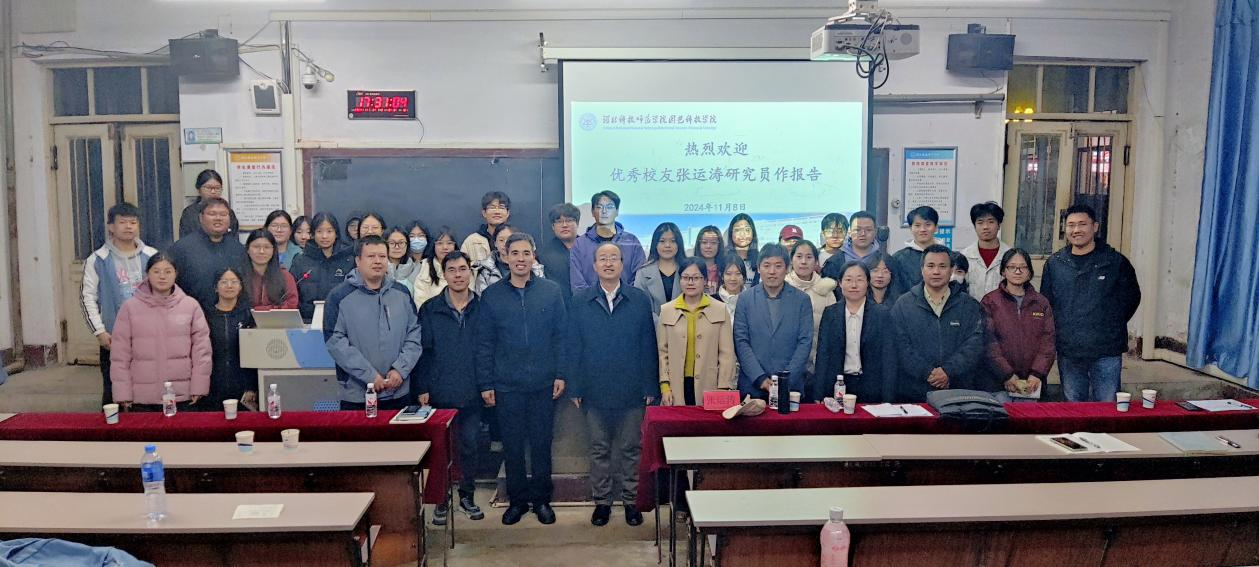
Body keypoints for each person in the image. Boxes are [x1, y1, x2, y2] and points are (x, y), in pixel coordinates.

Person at [476, 232, 568, 526]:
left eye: (526, 253)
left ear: (533, 256)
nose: (520, 259)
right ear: (505, 256)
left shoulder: (551, 291)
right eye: (514, 253)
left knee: (541, 445)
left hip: (543, 383)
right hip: (507, 385)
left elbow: (561, 336)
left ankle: (542, 500)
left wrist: (560, 373)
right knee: (512, 447)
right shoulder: (492, 295)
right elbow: (485, 344)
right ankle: (517, 501)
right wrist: (486, 384)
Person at [568, 243, 659, 527]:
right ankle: (602, 502)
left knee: (632, 448)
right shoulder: (580, 301)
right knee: (599, 449)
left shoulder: (639, 299)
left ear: (622, 264)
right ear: (594, 265)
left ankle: (631, 501)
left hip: (632, 389)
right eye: (602, 259)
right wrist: (575, 387)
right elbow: (573, 347)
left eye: (614, 258)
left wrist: (650, 386)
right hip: (594, 389)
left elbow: (648, 345)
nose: (608, 263)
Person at [1041, 203, 1141, 402]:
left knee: (1107, 406)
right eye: (1071, 225)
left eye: (1082, 224)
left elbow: (1131, 298)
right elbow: (1047, 303)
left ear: (1095, 227)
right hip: (1069, 349)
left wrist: (1109, 324)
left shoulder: (1115, 262)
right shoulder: (1055, 264)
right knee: (1073, 406)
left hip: (1106, 349)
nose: (1076, 230)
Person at [416, 251, 486, 523]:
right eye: (452, 270)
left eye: (463, 269)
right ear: (444, 274)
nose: (458, 275)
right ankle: (441, 500)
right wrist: (422, 387)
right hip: (439, 392)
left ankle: (467, 495)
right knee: (440, 449)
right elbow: (423, 352)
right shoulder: (430, 309)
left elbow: (488, 350)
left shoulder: (482, 307)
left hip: (472, 391)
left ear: (470, 272)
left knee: (470, 445)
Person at [323, 235, 423, 411]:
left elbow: (414, 334)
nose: (377, 261)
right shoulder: (338, 297)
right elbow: (335, 342)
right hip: (357, 395)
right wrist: (369, 375)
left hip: (398, 392)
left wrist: (400, 369)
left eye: (382, 256)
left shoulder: (402, 293)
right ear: (358, 261)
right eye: (371, 256)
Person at [110, 252, 212, 411]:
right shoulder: (130, 308)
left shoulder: (190, 306)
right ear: (147, 274)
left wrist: (199, 386)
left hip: (182, 396)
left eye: (168, 271)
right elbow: (119, 355)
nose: (162, 276)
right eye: (156, 271)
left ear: (176, 274)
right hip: (141, 398)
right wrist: (123, 393)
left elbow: (202, 352)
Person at [82, 202, 158, 405]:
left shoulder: (152, 256)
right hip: (114, 337)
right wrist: (99, 332)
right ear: (111, 227)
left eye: (133, 222)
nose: (129, 227)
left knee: (149, 389)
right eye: (123, 222)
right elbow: (88, 298)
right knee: (114, 391)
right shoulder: (97, 259)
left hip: (150, 336)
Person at [890, 244, 986, 402]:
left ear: (951, 270)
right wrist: (927, 373)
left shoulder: (968, 305)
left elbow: (975, 344)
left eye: (942, 266)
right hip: (913, 392)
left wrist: (948, 371)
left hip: (957, 391)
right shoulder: (903, 305)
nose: (936, 271)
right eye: (930, 266)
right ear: (922, 270)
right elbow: (900, 345)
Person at [733, 244, 814, 400]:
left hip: (791, 388)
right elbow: (741, 342)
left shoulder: (802, 300)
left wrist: (785, 380)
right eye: (766, 265)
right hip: (753, 386)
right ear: (758, 268)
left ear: (787, 268)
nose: (772, 271)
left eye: (778, 266)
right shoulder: (745, 299)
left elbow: (805, 342)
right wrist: (760, 378)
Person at [814, 261, 898, 404]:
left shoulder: (882, 314)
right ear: (840, 283)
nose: (854, 285)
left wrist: (888, 398)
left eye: (859, 280)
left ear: (867, 283)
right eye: (848, 280)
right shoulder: (830, 314)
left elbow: (889, 358)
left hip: (872, 389)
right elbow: (823, 355)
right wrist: (819, 393)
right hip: (838, 386)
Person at [659, 258, 736, 406]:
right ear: (680, 280)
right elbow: (663, 353)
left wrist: (723, 387)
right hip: (676, 386)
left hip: (710, 385)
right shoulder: (667, 310)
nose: (690, 282)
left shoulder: (720, 309)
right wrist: (665, 386)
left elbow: (726, 354)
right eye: (685, 278)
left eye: (696, 278)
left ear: (705, 280)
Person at [982, 248, 1056, 401]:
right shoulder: (990, 301)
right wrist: (1007, 374)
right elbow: (989, 343)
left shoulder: (1041, 303)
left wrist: (1037, 373)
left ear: (1029, 272)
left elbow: (1048, 342)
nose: (1017, 271)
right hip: (999, 382)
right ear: (1003, 271)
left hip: (1032, 383)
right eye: (1012, 267)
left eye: (1023, 267)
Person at [169, 197, 248, 310]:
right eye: (212, 214)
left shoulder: (238, 249)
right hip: (192, 314)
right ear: (201, 218)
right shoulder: (181, 249)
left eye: (223, 214)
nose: (218, 218)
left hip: (231, 315)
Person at [569, 190, 646, 292]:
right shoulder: (579, 244)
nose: (604, 211)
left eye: (609, 207)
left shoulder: (631, 241)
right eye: (599, 207)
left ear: (617, 211)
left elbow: (639, 279)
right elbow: (578, 284)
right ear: (592, 212)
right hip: (588, 301)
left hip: (628, 300)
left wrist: (624, 298)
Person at [785, 241, 837, 388]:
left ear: (816, 261)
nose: (803, 261)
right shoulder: (782, 286)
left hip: (815, 364)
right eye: (799, 256)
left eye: (809, 257)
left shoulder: (826, 289)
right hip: (786, 362)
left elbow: (832, 329)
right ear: (791, 260)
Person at [206, 267, 258, 410]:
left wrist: (251, 386)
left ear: (240, 286)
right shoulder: (205, 315)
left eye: (234, 282)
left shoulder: (249, 315)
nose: (229, 286)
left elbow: (255, 355)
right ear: (215, 287)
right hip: (212, 386)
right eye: (224, 282)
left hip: (243, 388)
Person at [291, 212, 356, 322]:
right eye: (319, 231)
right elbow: (293, 293)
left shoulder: (349, 259)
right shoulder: (300, 260)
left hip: (340, 321)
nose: (324, 236)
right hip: (308, 321)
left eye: (329, 231)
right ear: (313, 234)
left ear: (336, 233)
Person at [961, 202, 1012, 300]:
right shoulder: (964, 256)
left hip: (1002, 309)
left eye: (991, 222)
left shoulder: (1011, 256)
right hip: (971, 309)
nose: (985, 227)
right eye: (980, 222)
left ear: (999, 225)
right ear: (974, 226)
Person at [889, 206, 943, 299]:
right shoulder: (898, 258)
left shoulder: (948, 256)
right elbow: (895, 291)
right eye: (917, 225)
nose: (922, 229)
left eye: (928, 225)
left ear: (936, 227)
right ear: (911, 228)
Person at [474, 224, 544, 295]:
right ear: (495, 243)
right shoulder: (486, 270)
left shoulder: (534, 267)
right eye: (501, 240)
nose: (505, 244)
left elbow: (542, 292)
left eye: (509, 240)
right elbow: (483, 297)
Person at [634, 222, 685, 317]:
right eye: (662, 241)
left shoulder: (687, 270)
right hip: (652, 324)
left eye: (673, 241)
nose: (667, 245)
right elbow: (640, 306)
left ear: (679, 244)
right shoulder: (643, 273)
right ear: (655, 244)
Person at [244, 230, 299, 311]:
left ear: (273, 250)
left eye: (267, 247)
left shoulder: (285, 276)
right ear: (247, 249)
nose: (261, 251)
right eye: (256, 247)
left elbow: (292, 304)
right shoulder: (239, 276)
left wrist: (260, 310)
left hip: (278, 318)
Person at [537, 203, 580, 304]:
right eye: (559, 221)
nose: (564, 225)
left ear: (577, 223)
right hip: (558, 305)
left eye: (569, 220)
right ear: (553, 226)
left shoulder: (590, 249)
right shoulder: (542, 254)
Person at [178, 169, 239, 238]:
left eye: (217, 188)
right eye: (208, 188)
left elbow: (234, 238)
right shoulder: (189, 213)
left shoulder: (228, 212)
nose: (213, 192)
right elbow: (185, 239)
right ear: (199, 190)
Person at [462, 191, 511, 265]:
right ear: (484, 213)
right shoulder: (471, 241)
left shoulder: (517, 240)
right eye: (492, 207)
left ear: (508, 213)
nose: (497, 212)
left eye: (501, 207)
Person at [414, 226, 457, 308]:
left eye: (449, 243)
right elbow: (420, 304)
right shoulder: (424, 268)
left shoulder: (464, 267)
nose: (445, 247)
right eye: (440, 243)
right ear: (433, 246)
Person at [725, 214, 759, 286]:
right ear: (731, 233)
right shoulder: (723, 259)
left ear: (753, 233)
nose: (742, 234)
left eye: (747, 230)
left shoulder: (760, 259)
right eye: (737, 230)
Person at [384, 227, 419, 295]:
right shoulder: (377, 268)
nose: (397, 247)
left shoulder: (417, 270)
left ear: (407, 245)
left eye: (401, 243)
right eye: (392, 243)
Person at [693, 226, 725, 295]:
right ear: (699, 245)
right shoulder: (690, 268)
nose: (708, 246)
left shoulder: (725, 269)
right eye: (704, 242)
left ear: (719, 245)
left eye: (713, 243)